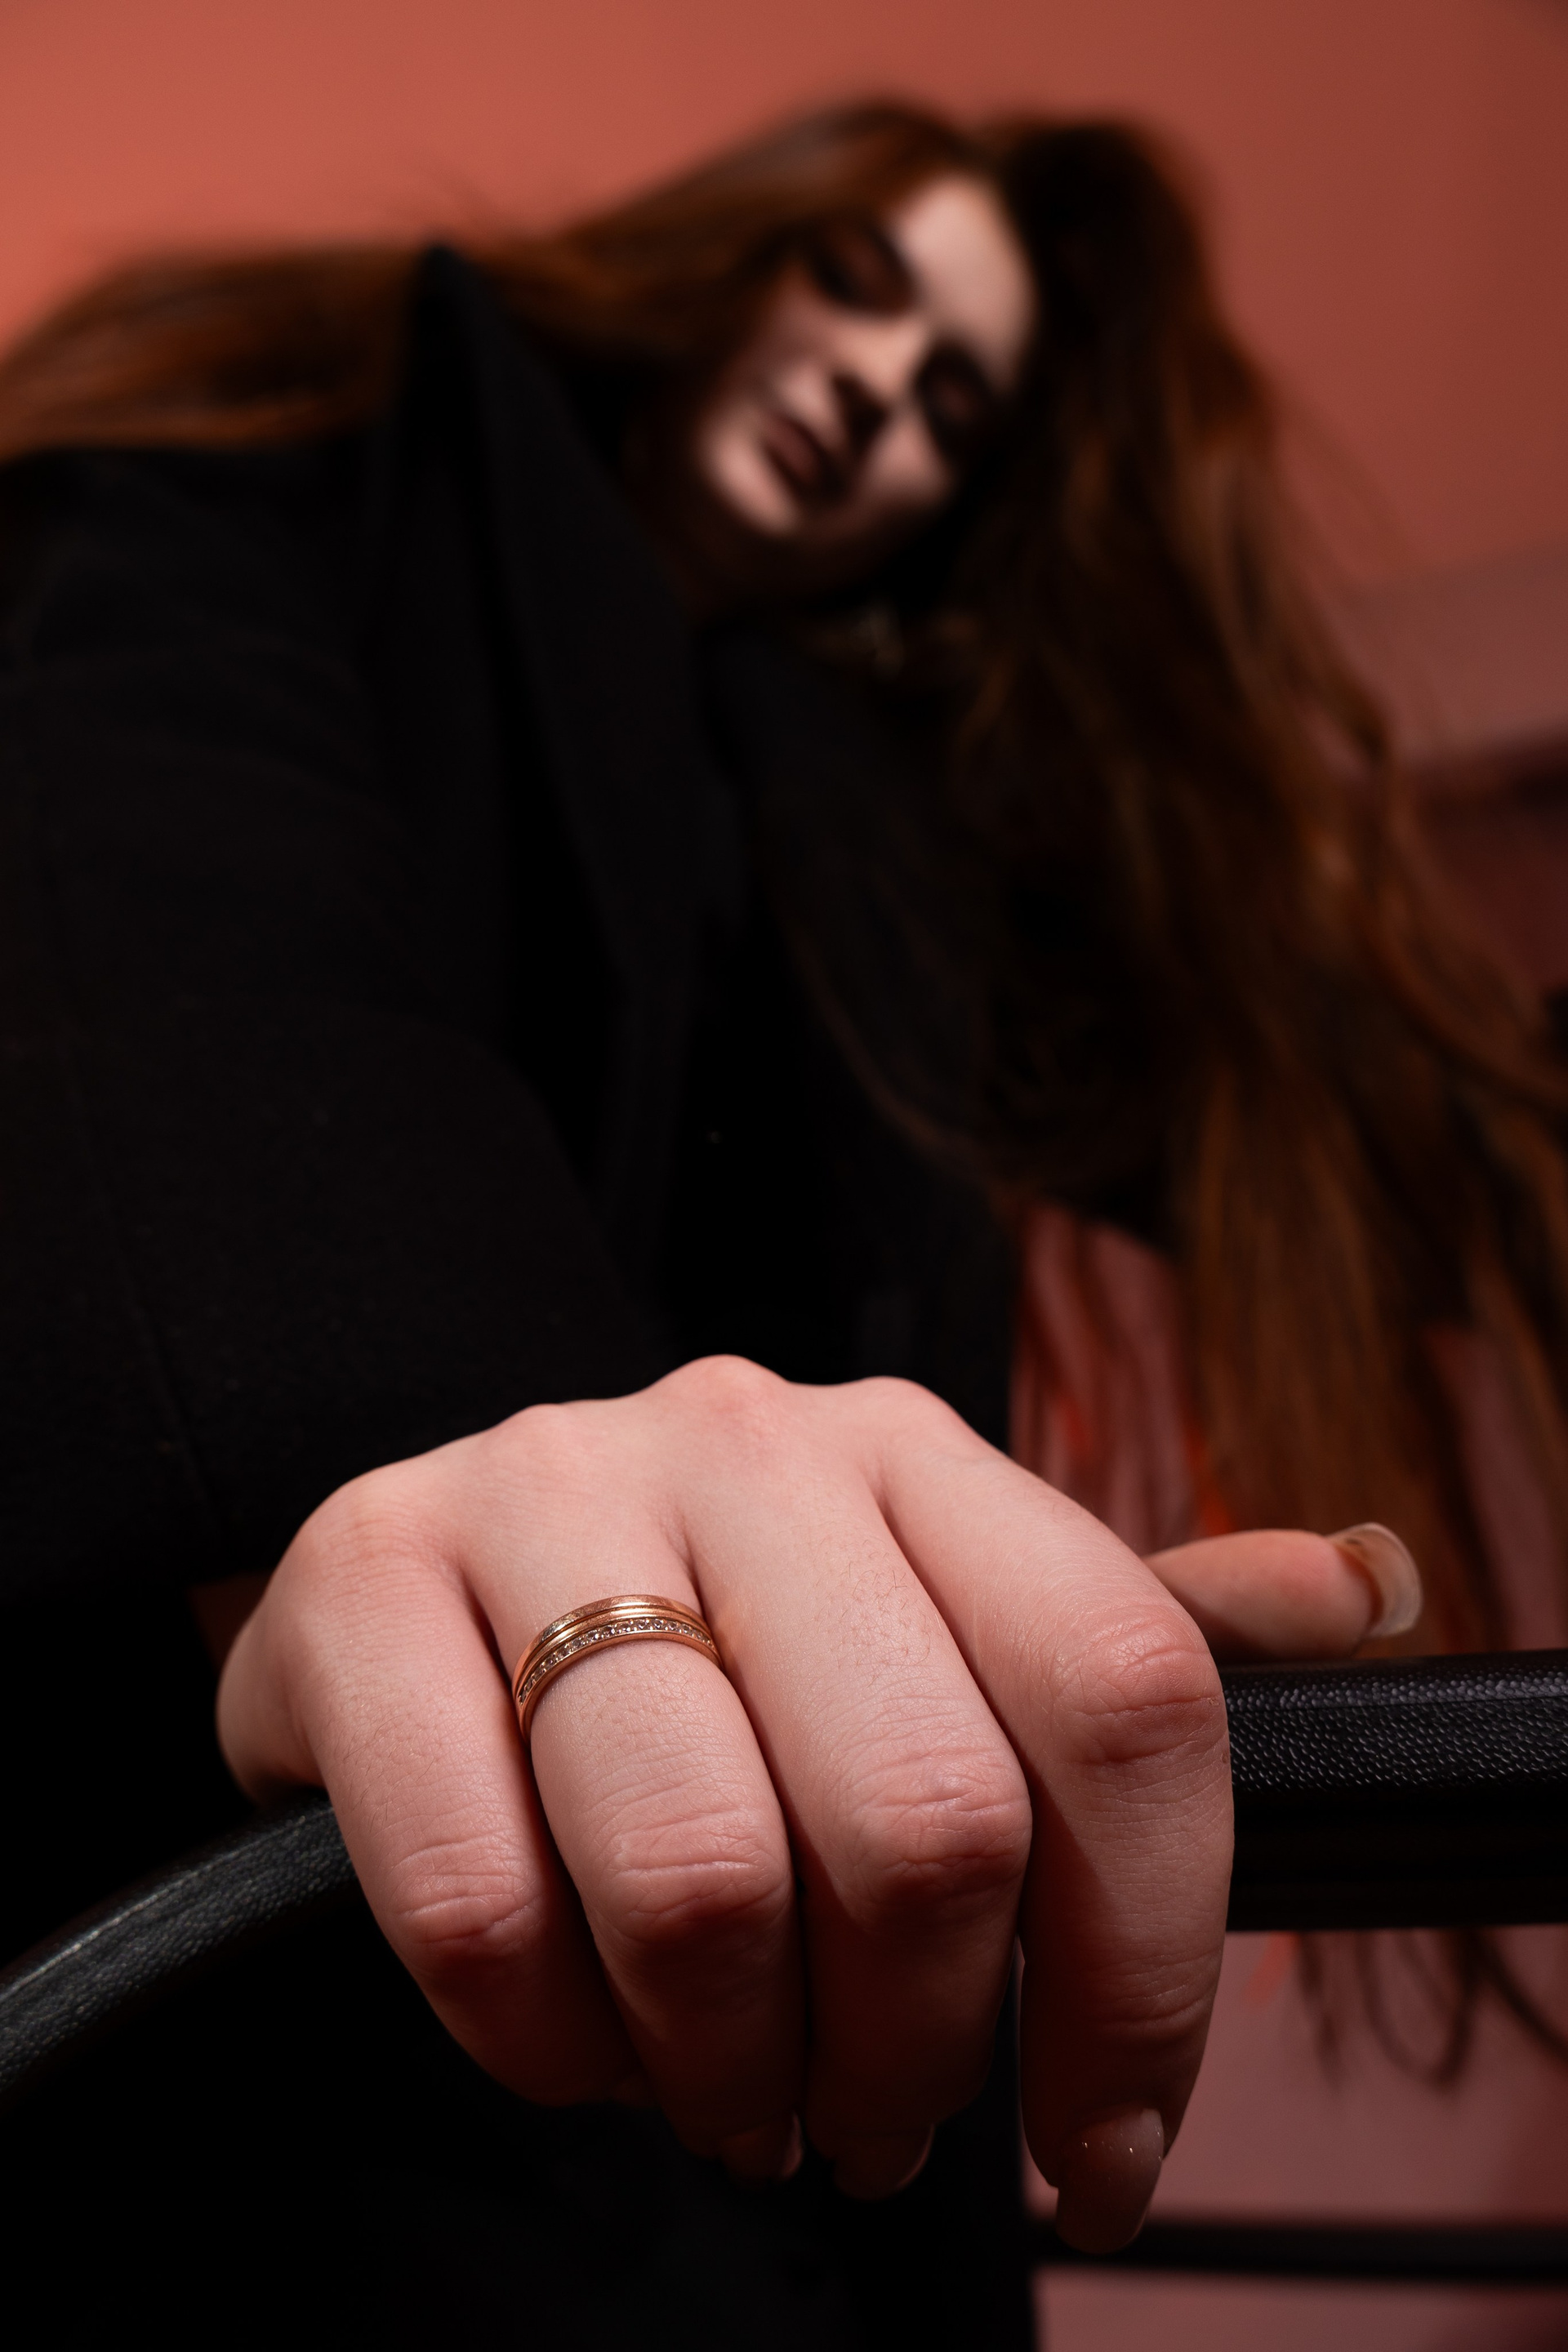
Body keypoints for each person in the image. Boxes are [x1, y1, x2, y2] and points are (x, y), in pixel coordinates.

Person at [0, 100, 1561, 2345]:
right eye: (859, 281)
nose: (876, 389)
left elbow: (1323, 1115)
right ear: (728, 258)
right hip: (278, 2004)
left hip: (792, 2078)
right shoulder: (264, 479)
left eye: (955, 402)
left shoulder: (870, 838)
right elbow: (164, 879)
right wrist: (421, 1462)